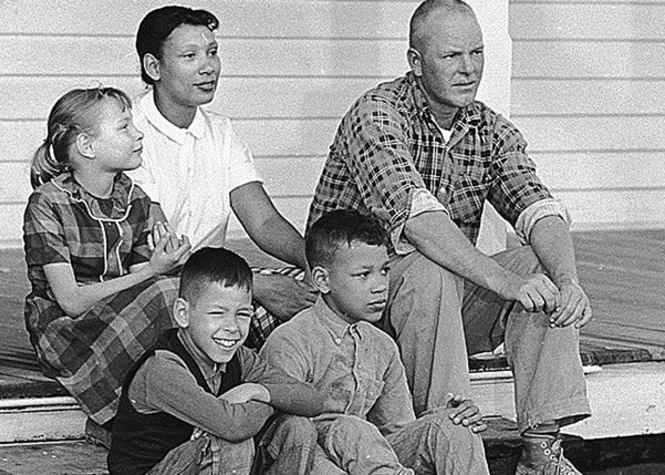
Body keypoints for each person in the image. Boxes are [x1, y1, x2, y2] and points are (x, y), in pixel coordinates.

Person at [307, 1, 592, 473]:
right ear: (416, 62)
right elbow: (418, 221)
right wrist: (504, 282)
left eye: (477, 53)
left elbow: (538, 206)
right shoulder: (376, 114)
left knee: (542, 268)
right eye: (452, 56)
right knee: (427, 267)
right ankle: (450, 443)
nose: (469, 69)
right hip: (356, 306)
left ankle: (541, 453)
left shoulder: (488, 127)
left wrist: (569, 280)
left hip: (435, 316)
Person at [129, 6, 315, 348]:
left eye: (212, 52)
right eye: (190, 55)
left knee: (319, 300)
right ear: (153, 67)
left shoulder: (221, 131)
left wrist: (312, 263)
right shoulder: (129, 132)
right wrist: (252, 284)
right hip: (156, 285)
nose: (208, 66)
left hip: (217, 284)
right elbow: (159, 250)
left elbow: (263, 222)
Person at [260, 210, 490, 474]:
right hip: (311, 461)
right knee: (351, 428)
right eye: (363, 275)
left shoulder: (382, 346)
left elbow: (398, 431)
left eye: (384, 271)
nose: (380, 286)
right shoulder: (291, 341)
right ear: (322, 280)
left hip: (369, 460)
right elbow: (285, 439)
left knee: (454, 424)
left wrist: (447, 418)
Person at [23, 87, 192, 425]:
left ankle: (186, 401)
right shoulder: (48, 203)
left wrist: (165, 263)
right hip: (68, 330)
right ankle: (140, 418)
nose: (138, 133)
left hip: (120, 316)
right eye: (124, 127)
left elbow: (145, 284)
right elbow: (70, 300)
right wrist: (155, 273)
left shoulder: (135, 198)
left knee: (193, 294)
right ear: (87, 146)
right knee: (168, 293)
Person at [108, 247, 325, 475]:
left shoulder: (239, 357)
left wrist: (256, 391)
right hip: (155, 470)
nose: (232, 327)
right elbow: (233, 426)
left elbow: (313, 400)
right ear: (183, 313)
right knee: (230, 443)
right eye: (217, 313)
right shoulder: (163, 367)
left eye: (242, 314)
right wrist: (273, 403)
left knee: (297, 427)